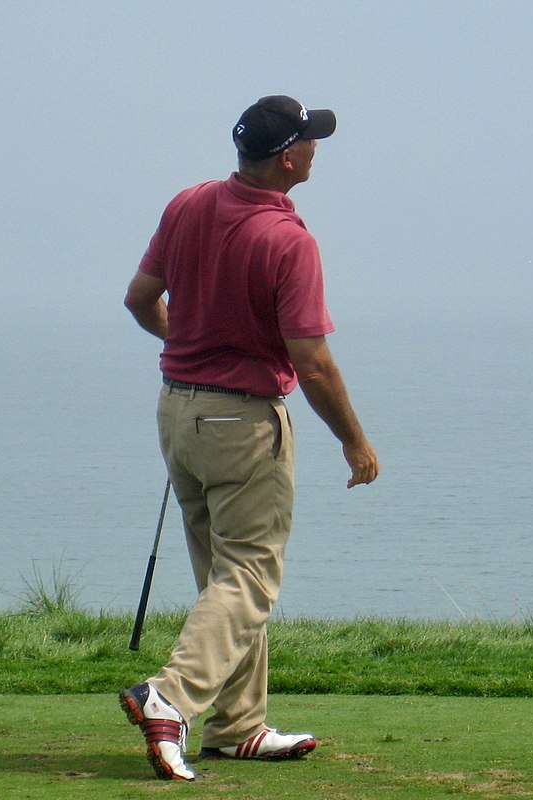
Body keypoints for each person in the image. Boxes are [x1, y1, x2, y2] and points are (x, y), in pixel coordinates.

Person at [120, 95, 379, 781]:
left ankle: (237, 727)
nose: (317, 149)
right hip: (241, 421)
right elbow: (313, 361)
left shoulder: (188, 203)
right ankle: (169, 698)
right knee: (249, 576)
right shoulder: (289, 240)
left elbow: (141, 299)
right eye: (311, 141)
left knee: (223, 576)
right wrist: (356, 443)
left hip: (178, 413)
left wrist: (197, 342)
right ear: (288, 157)